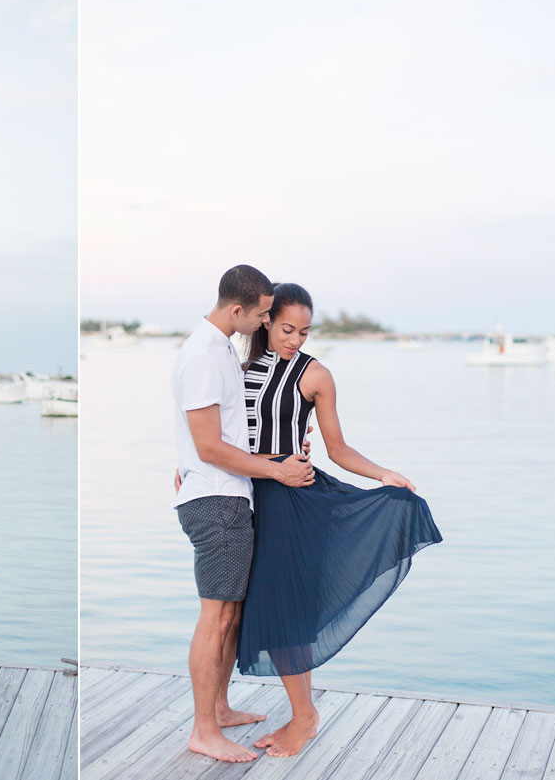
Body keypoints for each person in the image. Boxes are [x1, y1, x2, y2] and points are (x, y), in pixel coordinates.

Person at [234, 283, 442, 757]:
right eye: (288, 328)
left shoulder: (316, 375)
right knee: (257, 609)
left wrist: (384, 473)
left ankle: (304, 718)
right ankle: (299, 714)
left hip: (292, 500)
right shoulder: (238, 367)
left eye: (304, 332)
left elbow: (339, 448)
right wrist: (189, 467)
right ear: (265, 320)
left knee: (285, 609)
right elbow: (216, 432)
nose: (296, 340)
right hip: (244, 495)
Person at [171, 266, 316, 763]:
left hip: (226, 493)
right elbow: (210, 445)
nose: (262, 324)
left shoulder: (220, 351)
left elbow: (222, 431)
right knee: (216, 617)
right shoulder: (205, 357)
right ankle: (204, 730)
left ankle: (220, 708)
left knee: (231, 614)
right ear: (238, 310)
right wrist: (276, 472)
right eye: (260, 315)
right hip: (217, 500)